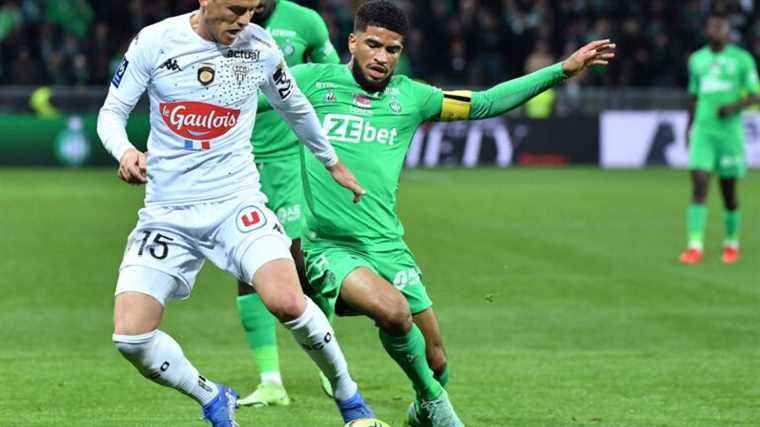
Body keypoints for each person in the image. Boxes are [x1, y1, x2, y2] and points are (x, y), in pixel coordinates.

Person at [257, 1, 615, 425]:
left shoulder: (412, 98)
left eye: (393, 50)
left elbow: (484, 103)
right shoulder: (311, 82)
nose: (382, 57)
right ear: (352, 43)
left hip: (388, 246)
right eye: (373, 45)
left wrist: (562, 70)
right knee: (392, 311)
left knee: (438, 361)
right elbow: (237, 100)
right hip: (331, 247)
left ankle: (422, 410)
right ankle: (439, 408)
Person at [96, 1, 385, 426]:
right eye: (235, 8)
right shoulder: (155, 42)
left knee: (287, 301)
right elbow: (111, 114)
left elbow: (296, 107)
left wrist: (331, 162)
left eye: (251, 9)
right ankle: (211, 397)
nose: (244, 19)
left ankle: (351, 400)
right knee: (131, 337)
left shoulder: (261, 49)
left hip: (237, 202)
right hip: (167, 212)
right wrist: (124, 151)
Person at [234, 0, 340, 408]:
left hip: (291, 162)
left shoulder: (306, 22)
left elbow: (331, 75)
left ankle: (328, 365)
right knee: (245, 264)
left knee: (300, 264)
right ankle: (271, 381)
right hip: (239, 161)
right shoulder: (223, 25)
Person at [679, 12, 760, 265]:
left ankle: (731, 243)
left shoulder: (742, 59)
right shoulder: (697, 60)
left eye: (720, 27)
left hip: (728, 133)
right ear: (707, 31)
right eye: (712, 27)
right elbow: (693, 97)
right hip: (704, 131)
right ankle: (694, 245)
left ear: (728, 32)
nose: (715, 30)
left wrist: (733, 107)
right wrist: (689, 127)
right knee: (699, 183)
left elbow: (755, 95)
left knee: (728, 192)